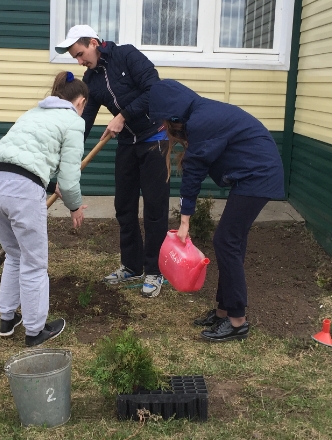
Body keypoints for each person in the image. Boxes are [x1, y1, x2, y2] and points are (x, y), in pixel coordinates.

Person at [149, 79, 285, 342]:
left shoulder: (202, 120)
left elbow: (194, 172)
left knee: (226, 241)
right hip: (252, 176)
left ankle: (237, 322)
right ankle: (223, 311)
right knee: (230, 242)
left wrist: (185, 220)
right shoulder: (200, 112)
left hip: (258, 177)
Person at [55, 25, 170, 298]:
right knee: (124, 206)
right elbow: (83, 122)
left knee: (155, 207)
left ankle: (154, 271)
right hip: (127, 143)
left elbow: (154, 88)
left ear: (94, 42)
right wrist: (67, 159)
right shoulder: (91, 80)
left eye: (81, 54)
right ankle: (131, 265)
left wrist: (123, 115)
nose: (80, 61)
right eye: (76, 58)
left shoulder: (127, 56)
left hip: (155, 137)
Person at [0, 71, 89, 347]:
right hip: (23, 190)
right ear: (80, 102)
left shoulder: (33, 112)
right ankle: (35, 331)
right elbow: (68, 180)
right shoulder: (73, 121)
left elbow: (33, 154)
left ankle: (7, 319)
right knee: (34, 262)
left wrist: (51, 179)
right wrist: (75, 206)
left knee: (14, 254)